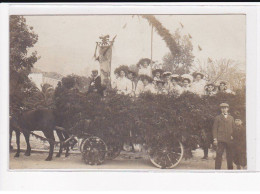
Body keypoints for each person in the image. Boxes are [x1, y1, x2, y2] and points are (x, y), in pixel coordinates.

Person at [213, 103, 235, 170]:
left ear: (228, 109)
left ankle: (230, 171)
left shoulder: (231, 118)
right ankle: (217, 170)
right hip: (220, 140)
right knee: (219, 155)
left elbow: (234, 128)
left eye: (225, 108)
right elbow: (214, 129)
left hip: (229, 140)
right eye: (222, 108)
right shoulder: (217, 118)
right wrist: (215, 139)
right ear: (220, 109)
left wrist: (233, 136)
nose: (224, 109)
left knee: (230, 156)